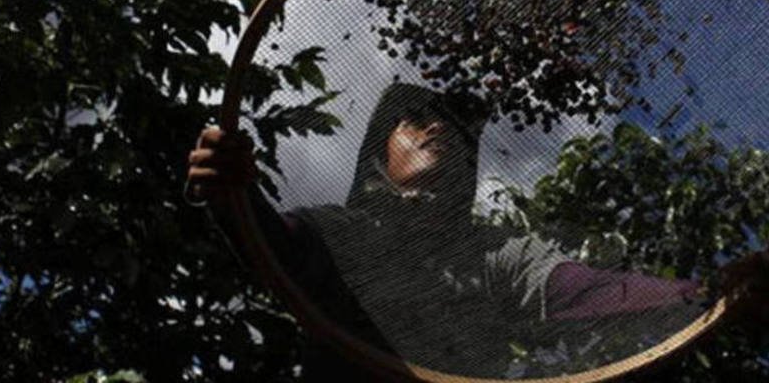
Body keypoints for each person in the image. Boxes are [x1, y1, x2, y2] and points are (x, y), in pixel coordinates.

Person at [187, 83, 768, 379]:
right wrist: (230, 192)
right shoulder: (338, 230)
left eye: (456, 130)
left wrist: (706, 294)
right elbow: (272, 246)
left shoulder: (492, 254)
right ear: (378, 153)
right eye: (416, 120)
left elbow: (587, 290)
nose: (439, 129)